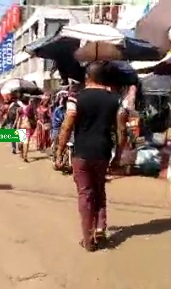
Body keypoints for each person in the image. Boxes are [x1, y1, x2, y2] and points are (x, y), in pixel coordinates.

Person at [54, 61, 126, 252]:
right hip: (103, 152)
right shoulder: (116, 100)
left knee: (85, 193)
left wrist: (59, 152)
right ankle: (101, 226)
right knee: (100, 189)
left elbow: (67, 125)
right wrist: (118, 155)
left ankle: (88, 238)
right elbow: (121, 130)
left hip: (82, 153)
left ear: (87, 77)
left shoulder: (76, 98)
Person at [15, 94, 36, 162]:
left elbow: (17, 119)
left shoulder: (19, 109)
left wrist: (15, 125)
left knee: (21, 141)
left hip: (21, 126)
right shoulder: (30, 108)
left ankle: (21, 152)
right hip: (28, 126)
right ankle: (25, 156)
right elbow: (33, 116)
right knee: (26, 141)